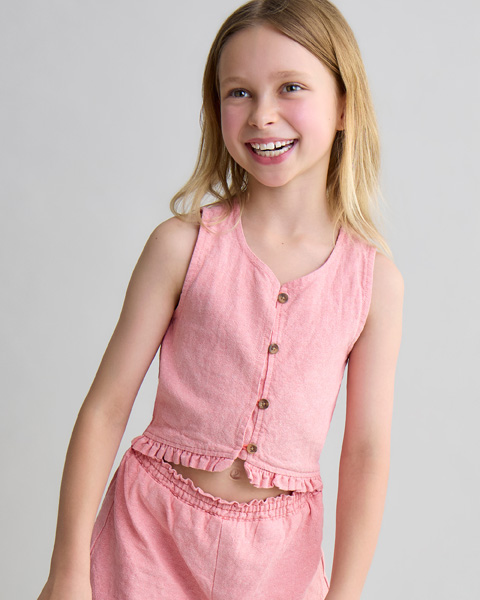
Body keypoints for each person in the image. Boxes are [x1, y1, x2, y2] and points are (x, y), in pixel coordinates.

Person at [37, 0, 403, 598]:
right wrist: (67, 572)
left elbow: (365, 452)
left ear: (343, 105)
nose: (263, 115)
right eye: (239, 93)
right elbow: (106, 409)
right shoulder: (180, 246)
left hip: (279, 565)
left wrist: (345, 593)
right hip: (144, 540)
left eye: (290, 87)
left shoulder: (375, 284)